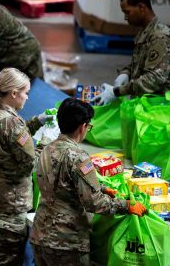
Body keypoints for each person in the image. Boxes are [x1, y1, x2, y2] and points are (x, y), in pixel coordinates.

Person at [30, 98, 147, 265]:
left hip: (40, 233)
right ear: (82, 126)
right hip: (66, 241)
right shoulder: (79, 157)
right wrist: (127, 206)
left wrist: (101, 187)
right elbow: (95, 203)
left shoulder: (46, 148)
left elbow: (62, 182)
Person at [0, 68, 53, 266]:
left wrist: (36, 122)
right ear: (13, 93)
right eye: (25, 93)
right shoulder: (13, 124)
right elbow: (31, 164)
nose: (27, 98)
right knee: (7, 258)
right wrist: (45, 142)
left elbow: (8, 138)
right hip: (10, 202)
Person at [95, 0, 170, 105]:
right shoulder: (145, 33)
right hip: (144, 105)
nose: (125, 17)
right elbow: (139, 64)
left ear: (141, 7)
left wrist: (117, 91)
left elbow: (152, 80)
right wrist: (126, 73)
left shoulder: (159, 37)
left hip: (157, 109)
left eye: (127, 12)